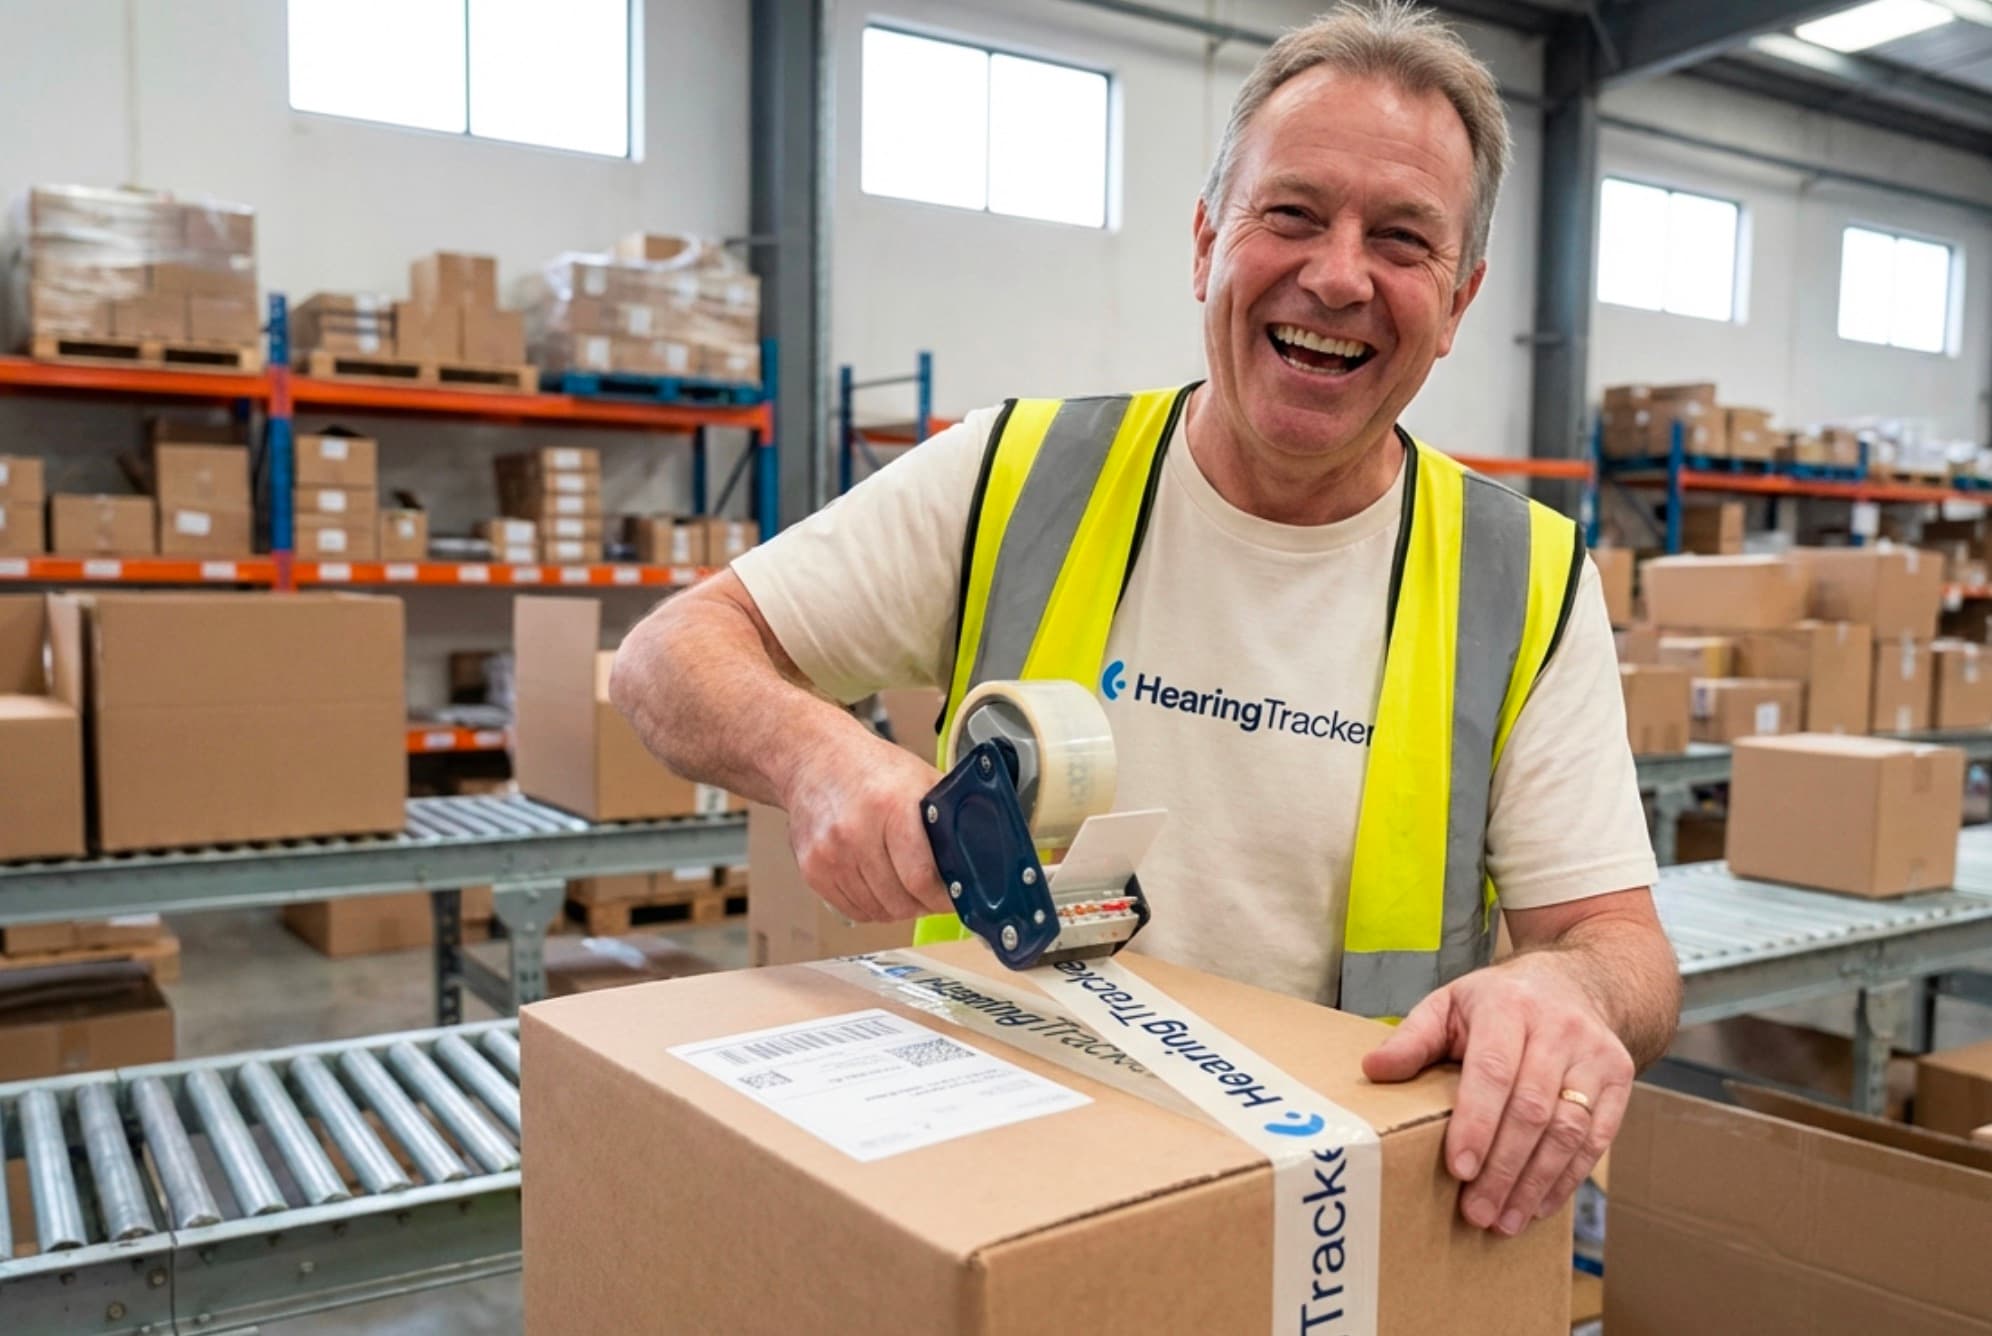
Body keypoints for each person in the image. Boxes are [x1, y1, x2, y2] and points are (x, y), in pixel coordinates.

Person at [611, 0, 1680, 1240]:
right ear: (1205, 243)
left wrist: (1562, 982)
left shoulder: (1527, 576)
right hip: (1001, 1196)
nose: (1337, 276)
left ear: (1458, 300)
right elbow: (666, 655)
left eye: (1402, 239)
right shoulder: (1017, 471)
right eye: (1291, 213)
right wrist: (821, 756)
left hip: (1329, 1223)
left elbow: (1627, 951)